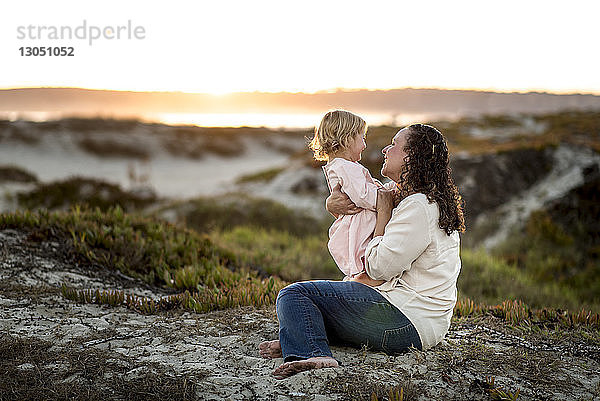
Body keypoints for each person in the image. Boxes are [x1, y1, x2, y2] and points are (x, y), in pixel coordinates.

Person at [259, 123, 466, 379]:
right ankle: (301, 339)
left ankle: (311, 353)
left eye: (394, 145)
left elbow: (379, 267)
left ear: (411, 157)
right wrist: (332, 204)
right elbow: (367, 201)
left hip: (408, 321)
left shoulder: (420, 207)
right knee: (314, 306)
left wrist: (383, 215)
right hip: (411, 318)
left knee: (295, 295)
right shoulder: (413, 199)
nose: (385, 150)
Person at [309, 110, 383, 279]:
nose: (364, 145)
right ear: (348, 139)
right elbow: (363, 196)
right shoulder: (346, 167)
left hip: (358, 220)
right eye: (362, 138)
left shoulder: (339, 165)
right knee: (363, 256)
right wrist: (386, 194)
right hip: (362, 221)